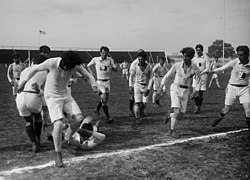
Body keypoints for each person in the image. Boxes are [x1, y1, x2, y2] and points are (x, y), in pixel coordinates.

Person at [18, 51, 98, 168]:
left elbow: (89, 76)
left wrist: (94, 86)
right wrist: (23, 83)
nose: (68, 70)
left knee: (79, 119)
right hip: (52, 96)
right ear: (63, 61)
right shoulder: (52, 63)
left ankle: (67, 138)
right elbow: (34, 69)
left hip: (66, 95)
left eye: (70, 68)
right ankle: (58, 154)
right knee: (59, 123)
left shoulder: (74, 65)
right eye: (67, 67)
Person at [206, 45, 250, 136]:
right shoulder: (234, 62)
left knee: (248, 110)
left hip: (244, 89)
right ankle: (219, 117)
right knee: (226, 110)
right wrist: (212, 71)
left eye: (242, 55)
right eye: (238, 55)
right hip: (232, 88)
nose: (240, 57)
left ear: (247, 54)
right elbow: (222, 68)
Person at [159, 47, 201, 138]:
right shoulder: (177, 65)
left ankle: (169, 116)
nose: (184, 58)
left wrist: (196, 91)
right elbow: (167, 76)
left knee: (181, 115)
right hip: (175, 89)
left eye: (186, 57)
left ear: (191, 57)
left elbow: (198, 81)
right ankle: (172, 131)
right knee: (177, 111)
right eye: (184, 56)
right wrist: (161, 86)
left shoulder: (195, 68)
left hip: (186, 91)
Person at [16, 55, 48, 153]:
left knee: (28, 121)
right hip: (33, 95)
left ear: (33, 61)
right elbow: (45, 89)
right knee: (38, 117)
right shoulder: (45, 71)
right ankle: (38, 140)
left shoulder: (24, 71)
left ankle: (33, 143)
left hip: (20, 96)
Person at [87, 46, 117, 123]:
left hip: (107, 82)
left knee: (105, 99)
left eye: (106, 53)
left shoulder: (110, 60)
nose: (104, 54)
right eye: (103, 53)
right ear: (100, 53)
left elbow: (115, 69)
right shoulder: (96, 59)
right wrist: (91, 72)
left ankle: (97, 109)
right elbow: (88, 65)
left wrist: (112, 67)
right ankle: (108, 117)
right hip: (100, 82)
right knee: (104, 98)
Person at [129, 51, 153, 125]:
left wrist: (148, 89)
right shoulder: (135, 66)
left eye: (142, 59)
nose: (140, 61)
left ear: (145, 59)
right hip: (137, 85)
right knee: (137, 103)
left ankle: (140, 111)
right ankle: (137, 118)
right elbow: (131, 76)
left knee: (144, 103)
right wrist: (130, 86)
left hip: (145, 86)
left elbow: (151, 78)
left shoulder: (149, 67)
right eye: (139, 59)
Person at [191, 44, 210, 114]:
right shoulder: (194, 59)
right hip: (195, 77)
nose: (198, 51)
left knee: (200, 94)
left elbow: (208, 68)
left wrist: (201, 72)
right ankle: (196, 107)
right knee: (195, 92)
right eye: (197, 50)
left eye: (199, 50)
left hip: (203, 77)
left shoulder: (206, 58)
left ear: (202, 50)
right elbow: (191, 67)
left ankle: (199, 107)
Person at [128, 49, 145, 116]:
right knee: (133, 97)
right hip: (135, 82)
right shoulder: (134, 63)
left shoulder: (145, 62)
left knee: (142, 99)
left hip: (143, 83)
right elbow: (131, 74)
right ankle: (131, 111)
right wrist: (131, 85)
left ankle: (140, 111)